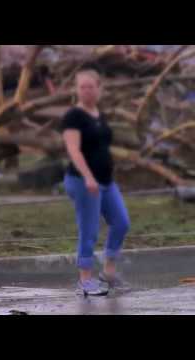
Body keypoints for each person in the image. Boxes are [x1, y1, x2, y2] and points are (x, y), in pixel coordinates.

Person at [61, 70, 131, 297]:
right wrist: (89, 176)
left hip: (106, 181)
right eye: (82, 87)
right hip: (82, 181)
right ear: (76, 89)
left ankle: (108, 272)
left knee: (121, 222)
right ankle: (85, 280)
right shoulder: (73, 116)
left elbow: (101, 147)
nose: (87, 90)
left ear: (99, 88)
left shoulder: (99, 114)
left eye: (91, 86)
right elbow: (73, 149)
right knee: (89, 230)